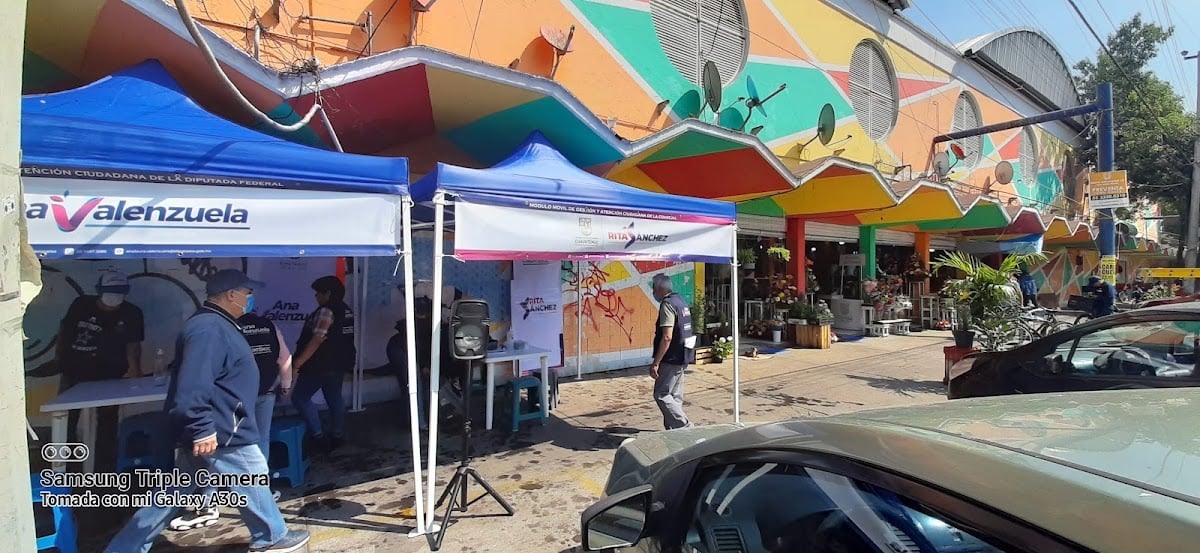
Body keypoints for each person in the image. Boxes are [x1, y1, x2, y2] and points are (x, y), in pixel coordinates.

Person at [106, 269, 310, 553]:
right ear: (231, 295)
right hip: (223, 428)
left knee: (172, 493)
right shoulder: (208, 329)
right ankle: (271, 536)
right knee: (252, 473)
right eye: (247, 293)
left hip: (217, 425)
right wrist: (202, 427)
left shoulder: (219, 324)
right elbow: (194, 383)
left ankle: (124, 548)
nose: (250, 298)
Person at [168, 308, 293, 531]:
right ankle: (261, 494)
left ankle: (208, 503)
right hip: (266, 392)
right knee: (257, 443)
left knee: (220, 449)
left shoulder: (227, 329)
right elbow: (284, 357)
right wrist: (285, 385)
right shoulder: (268, 325)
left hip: (233, 400)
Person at [56, 268, 144, 472]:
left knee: (108, 416)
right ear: (99, 291)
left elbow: (133, 345)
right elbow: (64, 330)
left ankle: (105, 461)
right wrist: (58, 357)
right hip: (74, 367)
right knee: (67, 415)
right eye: (111, 291)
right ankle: (67, 462)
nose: (115, 296)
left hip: (110, 370)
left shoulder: (132, 313)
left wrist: (135, 371)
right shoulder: (81, 305)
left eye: (119, 291)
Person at [292, 275, 356, 452]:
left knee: (300, 397)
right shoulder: (346, 310)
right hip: (340, 363)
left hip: (319, 365)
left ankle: (318, 436)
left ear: (327, 293)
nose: (315, 297)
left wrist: (298, 363)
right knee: (334, 397)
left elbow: (317, 339)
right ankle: (337, 435)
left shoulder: (326, 311)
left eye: (317, 293)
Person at [648, 273, 696, 430]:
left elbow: (667, 337)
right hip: (684, 354)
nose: (653, 292)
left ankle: (685, 426)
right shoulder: (681, 301)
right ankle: (673, 430)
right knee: (674, 395)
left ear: (659, 289)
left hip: (672, 356)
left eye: (653, 289)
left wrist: (656, 362)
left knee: (661, 394)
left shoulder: (667, 305)